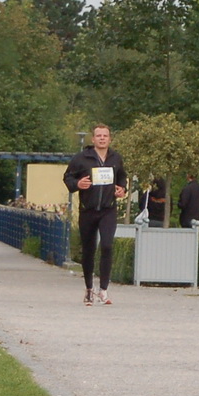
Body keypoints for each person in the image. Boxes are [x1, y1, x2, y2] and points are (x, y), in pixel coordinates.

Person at [64, 123, 127, 306]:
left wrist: (122, 188)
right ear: (93, 139)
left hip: (108, 210)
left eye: (105, 136)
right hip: (88, 210)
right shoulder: (81, 158)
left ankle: (103, 290)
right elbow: (68, 177)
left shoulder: (115, 158)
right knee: (89, 249)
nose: (102, 138)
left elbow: (122, 176)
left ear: (110, 139)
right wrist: (77, 184)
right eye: (98, 135)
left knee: (107, 245)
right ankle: (89, 289)